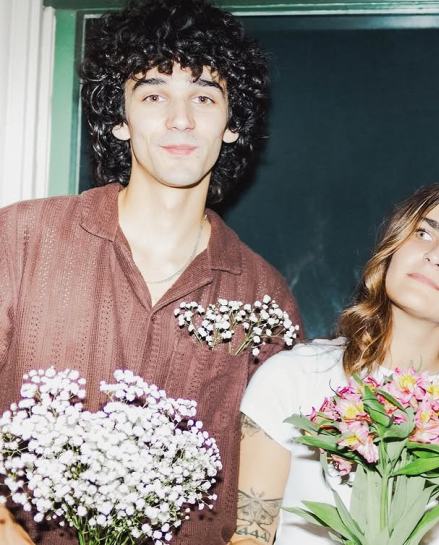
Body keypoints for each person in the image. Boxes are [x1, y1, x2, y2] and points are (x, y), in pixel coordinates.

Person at [0, 0, 302, 543]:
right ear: (120, 119)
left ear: (232, 127)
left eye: (205, 97)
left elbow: (270, 489)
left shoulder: (264, 297)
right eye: (154, 94)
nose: (180, 119)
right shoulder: (20, 242)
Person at [233, 180, 439, 545]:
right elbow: (248, 538)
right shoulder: (292, 377)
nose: (435, 255)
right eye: (423, 233)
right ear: (394, 248)